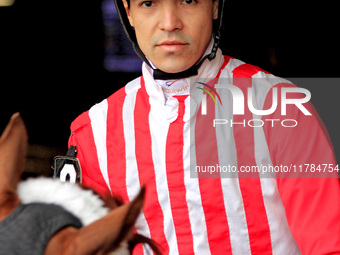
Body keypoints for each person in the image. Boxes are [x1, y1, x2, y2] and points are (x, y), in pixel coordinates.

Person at [68, 0, 340, 254]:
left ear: (214, 6)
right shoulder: (93, 132)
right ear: (128, 12)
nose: (169, 22)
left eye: (188, 0)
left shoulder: (283, 109)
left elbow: (330, 244)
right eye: (148, 3)